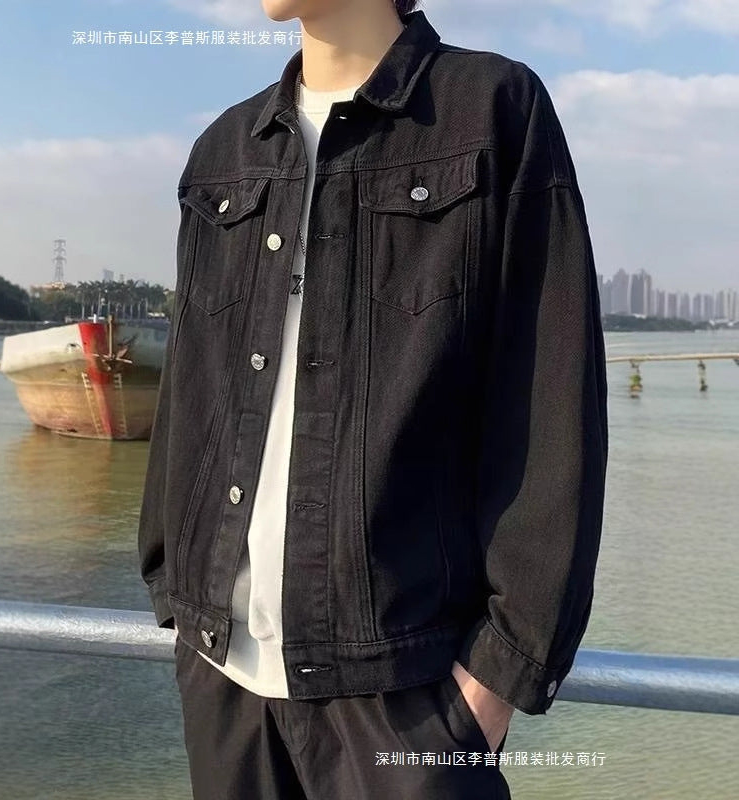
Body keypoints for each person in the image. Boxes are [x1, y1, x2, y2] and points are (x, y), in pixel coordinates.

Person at [137, 1, 609, 797]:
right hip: (224, 677)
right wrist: (170, 584)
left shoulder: (491, 109)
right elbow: (192, 389)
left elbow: (553, 399)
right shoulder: (224, 150)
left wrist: (496, 680)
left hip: (406, 692)